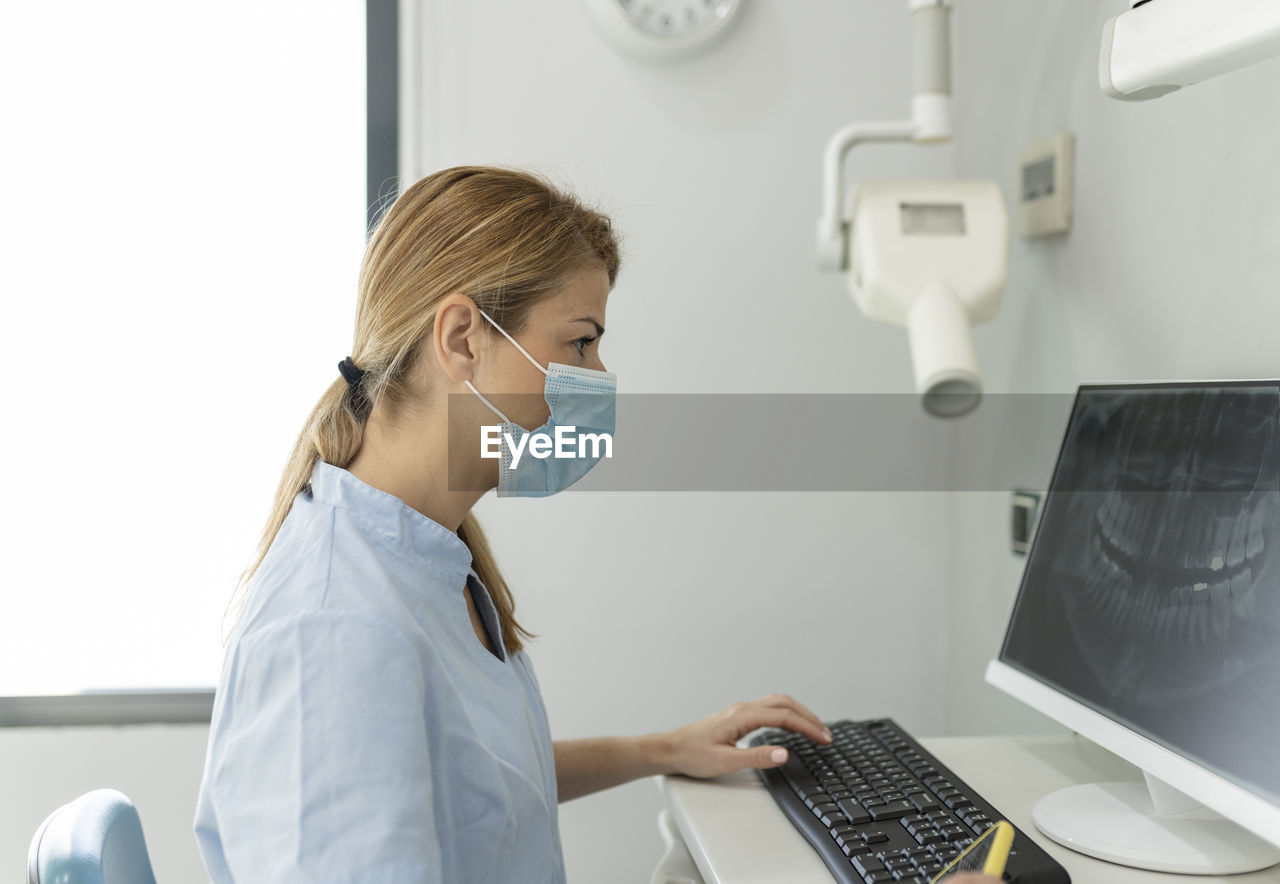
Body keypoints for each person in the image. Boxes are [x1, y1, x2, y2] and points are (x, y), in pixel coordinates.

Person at [192, 165, 1003, 884]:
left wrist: (662, 750)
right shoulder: (335, 630)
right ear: (462, 339)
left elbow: (465, 787)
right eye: (579, 344)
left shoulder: (424, 557)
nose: (599, 379)